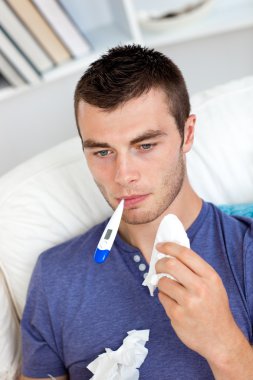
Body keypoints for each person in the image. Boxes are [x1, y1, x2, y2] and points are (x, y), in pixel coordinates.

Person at [21, 45, 253, 380]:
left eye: (145, 146)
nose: (122, 175)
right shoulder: (55, 278)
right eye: (102, 151)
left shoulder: (244, 253)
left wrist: (225, 346)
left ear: (187, 134)